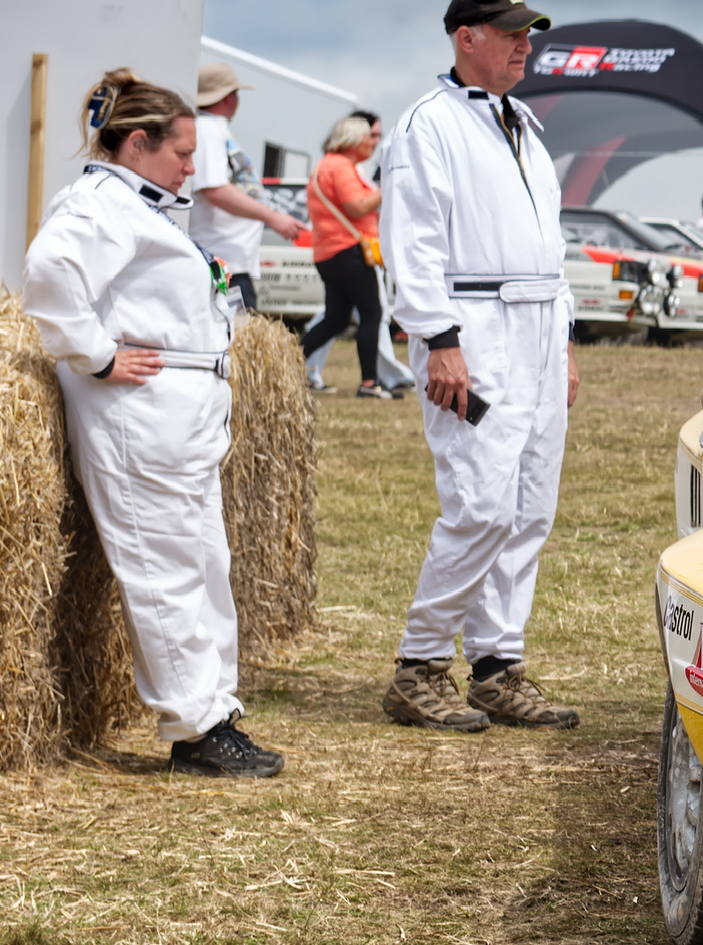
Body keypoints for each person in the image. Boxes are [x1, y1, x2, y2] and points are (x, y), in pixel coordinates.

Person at [22, 69, 284, 777]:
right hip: (141, 417)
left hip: (181, 415)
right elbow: (48, 271)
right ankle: (195, 729)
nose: (193, 168)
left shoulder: (141, 206)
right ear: (137, 143)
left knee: (203, 563)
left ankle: (216, 709)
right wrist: (99, 356)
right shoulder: (99, 202)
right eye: (183, 153)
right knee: (164, 567)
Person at [378, 0, 581, 734]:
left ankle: (498, 663)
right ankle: (420, 661)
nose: (525, 44)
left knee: (530, 503)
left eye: (528, 33)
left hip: (532, 325)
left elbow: (550, 249)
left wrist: (561, 339)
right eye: (509, 33)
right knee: (482, 502)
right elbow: (414, 240)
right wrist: (439, 340)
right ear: (467, 38)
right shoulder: (427, 126)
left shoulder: (523, 122)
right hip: (475, 325)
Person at [302, 111, 415, 395]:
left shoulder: (326, 166)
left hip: (329, 253)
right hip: (349, 252)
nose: (372, 144)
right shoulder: (341, 167)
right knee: (371, 314)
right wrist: (389, 186)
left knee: (336, 318)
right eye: (368, 138)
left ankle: (288, 364)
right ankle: (369, 383)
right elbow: (356, 207)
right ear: (352, 139)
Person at [188, 62, 310, 312]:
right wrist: (273, 217)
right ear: (229, 98)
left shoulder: (209, 129)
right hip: (221, 259)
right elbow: (215, 189)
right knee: (236, 332)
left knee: (236, 329)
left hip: (226, 259)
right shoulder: (208, 130)